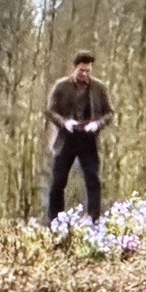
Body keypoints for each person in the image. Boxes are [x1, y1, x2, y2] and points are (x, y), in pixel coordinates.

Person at [45, 51, 114, 223]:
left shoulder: (99, 88)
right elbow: (50, 111)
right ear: (75, 68)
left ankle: (94, 218)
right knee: (58, 181)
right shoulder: (61, 86)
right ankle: (55, 220)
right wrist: (65, 123)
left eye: (88, 71)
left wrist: (97, 124)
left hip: (89, 139)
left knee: (93, 180)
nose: (85, 74)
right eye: (82, 70)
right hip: (66, 138)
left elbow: (110, 113)